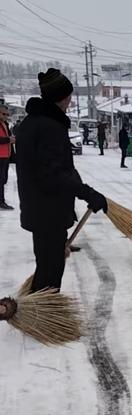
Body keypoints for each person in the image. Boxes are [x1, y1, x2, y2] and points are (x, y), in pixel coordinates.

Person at [15, 68, 108, 292]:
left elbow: (53, 169)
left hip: (38, 208)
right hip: (48, 210)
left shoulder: (32, 122)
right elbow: (53, 173)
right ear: (60, 97)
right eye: (68, 96)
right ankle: (43, 319)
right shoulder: (49, 127)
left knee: (46, 265)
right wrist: (87, 192)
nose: (70, 100)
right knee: (50, 272)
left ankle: (41, 314)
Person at [0, 104, 15, 210]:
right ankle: (1, 201)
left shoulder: (5, 124)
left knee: (3, 180)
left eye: (7, 114)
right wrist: (8, 139)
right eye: (3, 114)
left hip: (6, 155)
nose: (6, 116)